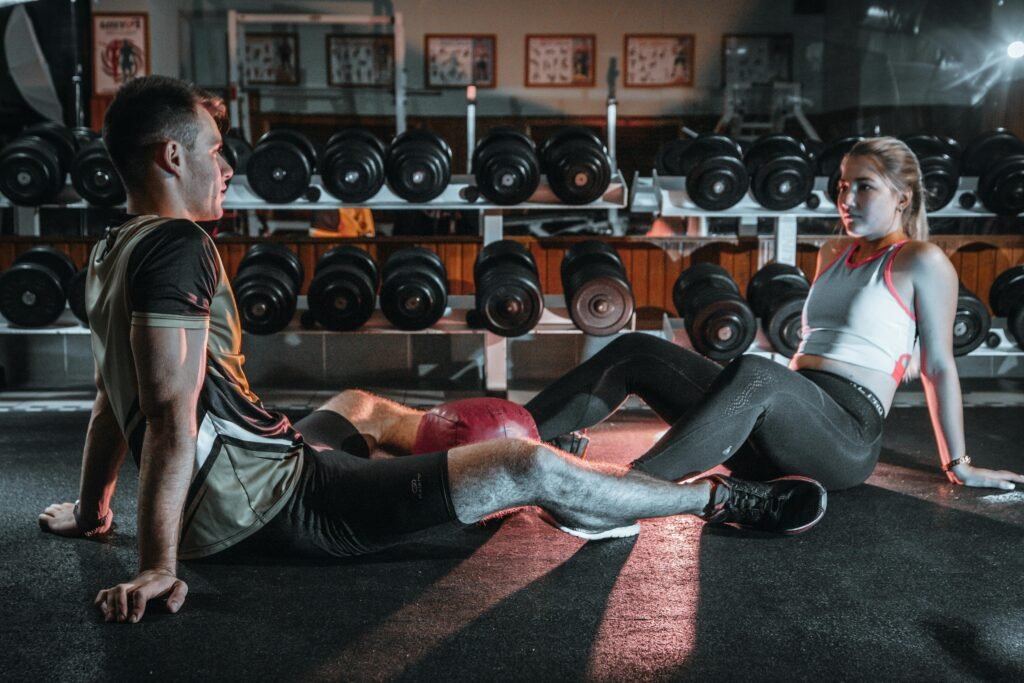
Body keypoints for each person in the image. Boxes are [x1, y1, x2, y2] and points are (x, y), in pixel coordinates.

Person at [37, 76, 825, 625]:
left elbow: (114, 395)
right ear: (171, 157)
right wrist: (157, 561)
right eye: (213, 150)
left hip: (263, 461)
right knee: (529, 470)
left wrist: (95, 507)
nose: (227, 165)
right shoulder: (180, 247)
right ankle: (718, 501)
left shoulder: (113, 248)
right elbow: (171, 417)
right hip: (269, 502)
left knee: (356, 406)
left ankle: (511, 458)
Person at [523, 137, 1024, 494]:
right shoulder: (833, 253)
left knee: (757, 371)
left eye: (864, 187)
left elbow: (938, 366)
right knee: (636, 351)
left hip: (844, 439)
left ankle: (615, 492)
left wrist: (959, 463)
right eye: (843, 185)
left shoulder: (921, 260)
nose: (846, 199)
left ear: (903, 196)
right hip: (778, 426)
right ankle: (503, 442)